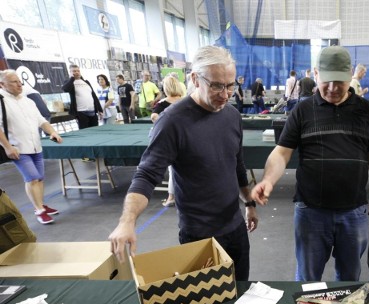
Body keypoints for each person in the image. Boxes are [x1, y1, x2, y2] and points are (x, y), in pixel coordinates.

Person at [109, 46, 258, 281]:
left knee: (241, 293)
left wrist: (249, 203)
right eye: (217, 85)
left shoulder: (231, 115)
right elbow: (146, 175)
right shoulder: (172, 122)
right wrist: (127, 222)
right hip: (200, 236)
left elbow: (236, 164)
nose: (225, 94)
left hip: (235, 228)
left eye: (230, 85)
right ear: (195, 79)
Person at [251, 46, 369, 282]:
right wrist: (268, 180)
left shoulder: (365, 111)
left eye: (340, 82)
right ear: (316, 74)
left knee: (349, 279)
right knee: (308, 279)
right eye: (327, 81)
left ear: (351, 75)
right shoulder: (302, 110)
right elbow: (281, 153)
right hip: (311, 213)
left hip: (353, 213)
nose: (333, 88)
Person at [0, 70, 63, 225]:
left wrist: (53, 132)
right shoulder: (1, 101)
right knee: (32, 178)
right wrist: (8, 147)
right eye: (14, 82)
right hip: (18, 149)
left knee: (39, 178)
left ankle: (40, 204)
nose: (19, 84)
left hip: (35, 146)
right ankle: (39, 210)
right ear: (2, 84)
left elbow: (41, 120)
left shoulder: (28, 101)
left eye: (19, 81)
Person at [150, 75, 187, 208]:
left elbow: (154, 116)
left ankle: (171, 197)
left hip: (170, 140)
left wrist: (165, 125)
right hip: (187, 137)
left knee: (173, 169)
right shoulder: (185, 101)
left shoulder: (162, 103)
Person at [62, 64, 103, 129]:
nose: (76, 72)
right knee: (85, 132)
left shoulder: (86, 82)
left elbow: (94, 96)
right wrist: (72, 78)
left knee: (95, 130)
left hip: (92, 111)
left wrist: (100, 110)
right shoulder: (69, 82)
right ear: (70, 72)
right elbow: (65, 89)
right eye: (74, 71)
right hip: (81, 112)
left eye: (78, 71)